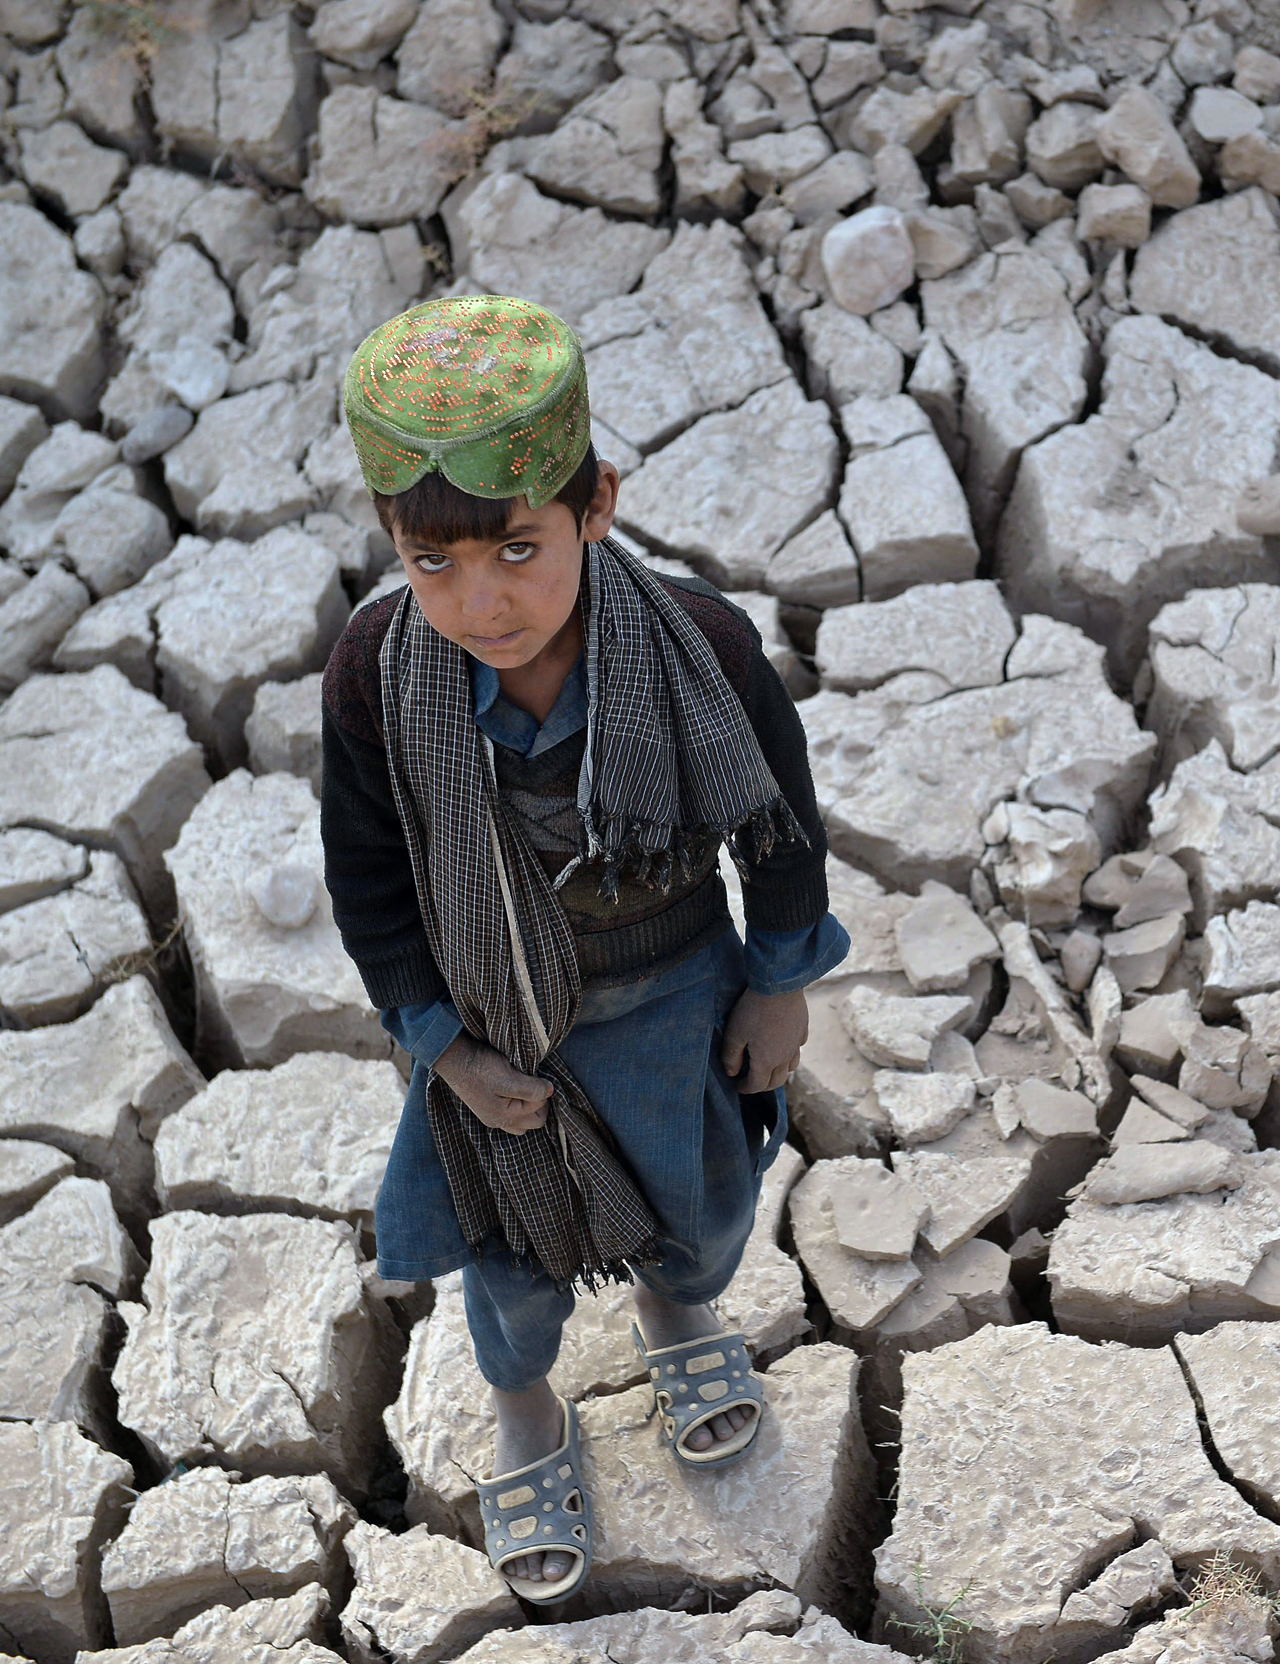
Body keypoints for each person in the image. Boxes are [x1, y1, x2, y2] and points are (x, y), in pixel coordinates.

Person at [318, 295, 848, 1603]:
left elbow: (779, 833)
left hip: (677, 993)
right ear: (391, 541)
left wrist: (780, 990)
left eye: (515, 549)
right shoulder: (378, 674)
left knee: (706, 1198)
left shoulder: (696, 645)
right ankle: (528, 1417)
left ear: (594, 504)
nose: (480, 601)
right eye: (430, 562)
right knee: (508, 1261)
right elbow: (370, 881)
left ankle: (678, 1313)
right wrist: (442, 1051)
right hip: (499, 1029)